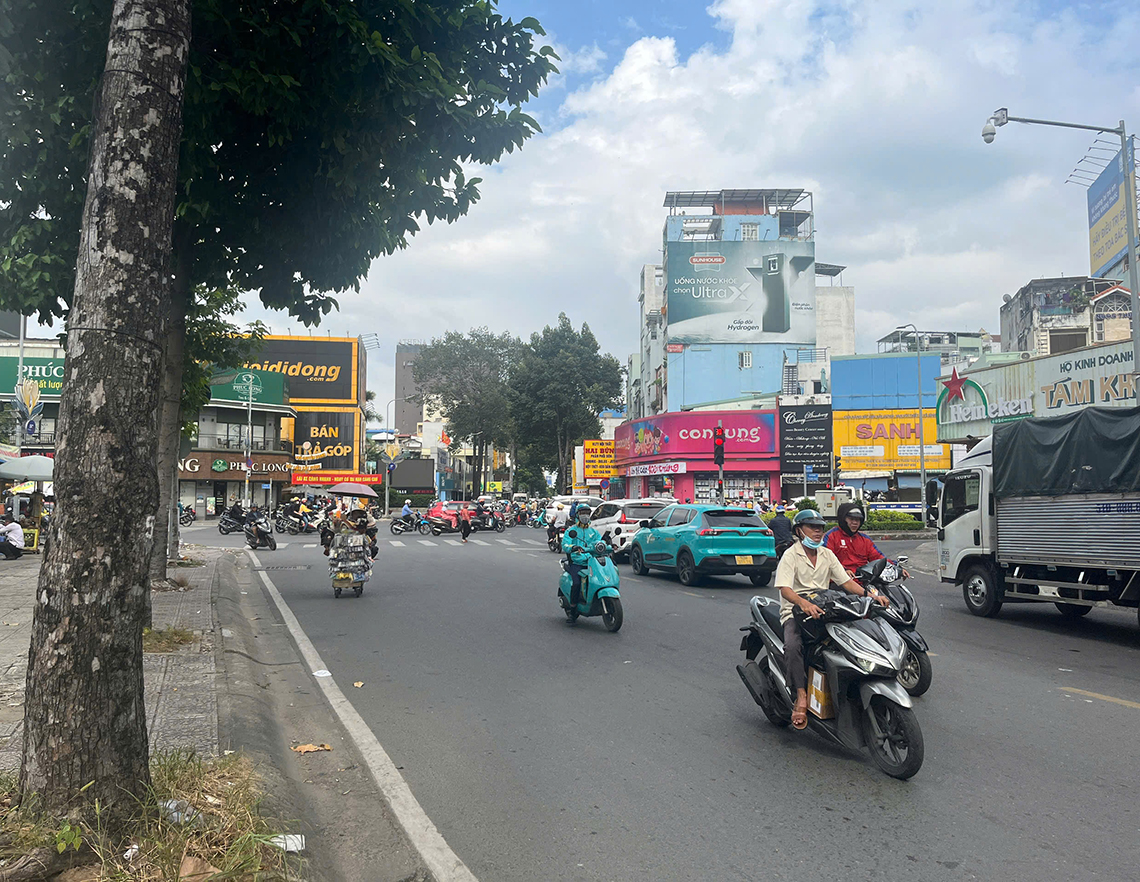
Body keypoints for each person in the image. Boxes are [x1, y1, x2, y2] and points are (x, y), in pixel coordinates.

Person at [775, 510, 887, 730]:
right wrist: (803, 603)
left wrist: (871, 596)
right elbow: (785, 588)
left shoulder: (826, 554)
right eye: (812, 527)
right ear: (799, 531)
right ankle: (801, 696)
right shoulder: (791, 555)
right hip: (796, 612)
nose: (818, 532)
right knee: (793, 645)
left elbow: (846, 583)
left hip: (825, 609)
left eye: (820, 528)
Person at [824, 503, 910, 579]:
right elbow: (826, 560)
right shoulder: (831, 536)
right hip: (841, 582)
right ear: (843, 519)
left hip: (864, 581)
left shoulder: (865, 539)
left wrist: (896, 567)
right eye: (851, 519)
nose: (855, 522)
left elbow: (878, 557)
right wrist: (843, 570)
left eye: (857, 520)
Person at [561, 506, 601, 608]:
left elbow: (599, 542)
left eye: (587, 513)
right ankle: (573, 606)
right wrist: (573, 547)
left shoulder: (594, 532)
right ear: (578, 515)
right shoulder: (571, 531)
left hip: (592, 562)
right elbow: (565, 545)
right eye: (582, 513)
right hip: (577, 563)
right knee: (577, 584)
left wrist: (607, 545)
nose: (585, 516)